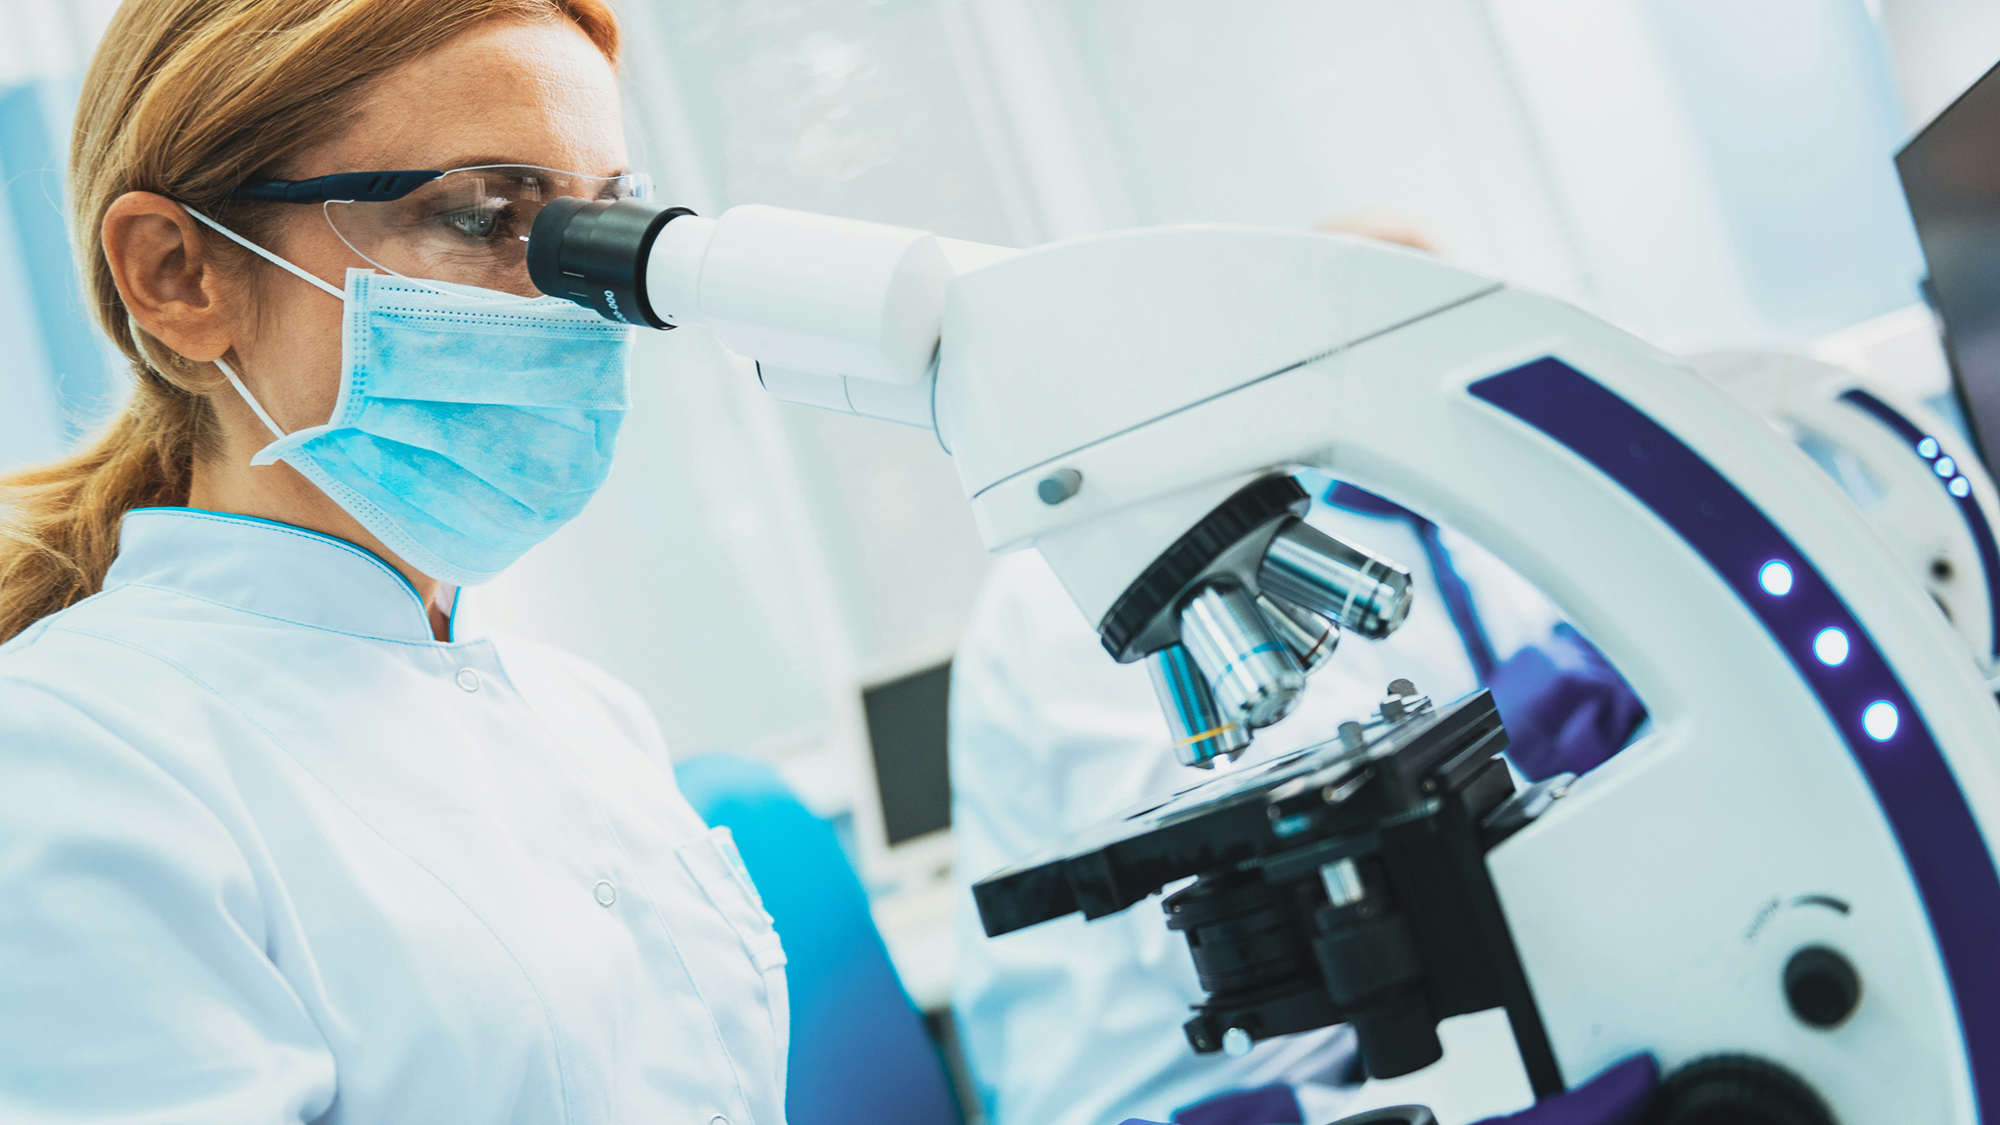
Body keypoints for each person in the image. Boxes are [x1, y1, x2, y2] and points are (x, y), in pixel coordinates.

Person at [0, 3, 787, 1122]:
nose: (571, 302)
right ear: (178, 275)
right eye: (480, 216)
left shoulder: (586, 714)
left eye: (600, 226)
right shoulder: (67, 762)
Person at [950, 473, 1645, 1125]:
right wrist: (1527, 742)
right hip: (1201, 1100)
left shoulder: (1403, 509)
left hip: (1419, 1047)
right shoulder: (1070, 592)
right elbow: (1236, 947)